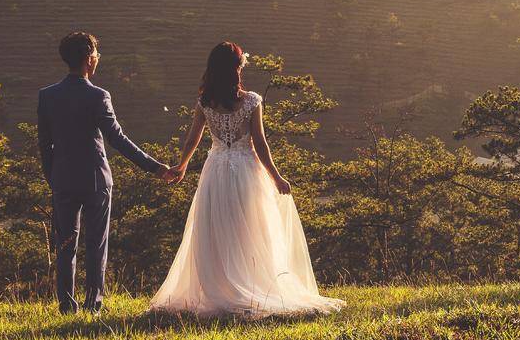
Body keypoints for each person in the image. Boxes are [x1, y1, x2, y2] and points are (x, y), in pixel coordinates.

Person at [150, 41, 344, 318]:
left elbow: (193, 138)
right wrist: (276, 177)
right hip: (245, 170)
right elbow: (260, 143)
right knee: (250, 227)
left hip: (215, 169)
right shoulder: (251, 101)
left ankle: (221, 286)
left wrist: (182, 166)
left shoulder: (205, 102)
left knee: (217, 228)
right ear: (237, 69)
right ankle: (251, 284)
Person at [37, 31, 176, 314]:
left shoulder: (47, 96)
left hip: (62, 179)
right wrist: (155, 167)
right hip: (96, 179)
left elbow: (44, 145)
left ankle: (66, 305)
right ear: (89, 59)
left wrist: (54, 178)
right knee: (96, 243)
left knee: (65, 244)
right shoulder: (98, 96)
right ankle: (93, 305)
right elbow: (118, 139)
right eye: (97, 55)